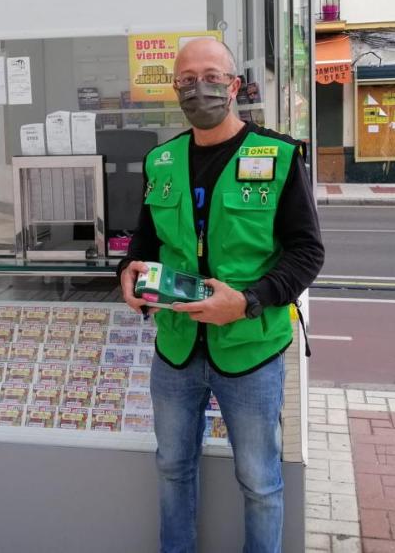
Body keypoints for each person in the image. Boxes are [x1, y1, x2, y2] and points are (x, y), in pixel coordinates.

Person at [118, 38, 324, 553]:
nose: (198, 88)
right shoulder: (161, 160)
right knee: (171, 468)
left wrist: (249, 300)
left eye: (211, 76)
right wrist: (127, 270)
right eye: (186, 79)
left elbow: (307, 253)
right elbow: (143, 243)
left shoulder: (276, 156)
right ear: (175, 90)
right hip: (177, 349)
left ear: (234, 86)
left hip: (250, 351)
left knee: (259, 481)